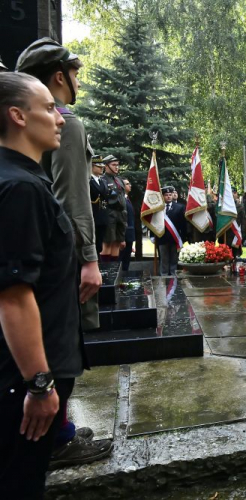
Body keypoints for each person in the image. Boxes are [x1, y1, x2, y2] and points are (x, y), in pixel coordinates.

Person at [15, 39, 112, 467]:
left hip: (46, 248)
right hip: (64, 253)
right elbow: (73, 197)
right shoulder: (67, 123)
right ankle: (58, 438)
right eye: (74, 74)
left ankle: (61, 428)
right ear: (59, 77)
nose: (77, 82)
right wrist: (89, 259)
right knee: (60, 347)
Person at [0, 71, 86, 498]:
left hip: (27, 371)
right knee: (20, 483)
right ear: (17, 116)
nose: (60, 118)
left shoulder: (22, 179)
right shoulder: (20, 188)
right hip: (23, 379)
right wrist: (39, 383)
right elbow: (14, 297)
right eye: (48, 108)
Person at [100, 155, 127, 261]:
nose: (117, 167)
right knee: (108, 242)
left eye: (117, 165)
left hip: (121, 214)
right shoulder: (103, 180)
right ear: (106, 166)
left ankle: (114, 268)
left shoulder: (118, 180)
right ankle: (106, 269)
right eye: (113, 165)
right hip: (110, 213)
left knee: (117, 241)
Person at [157, 186, 186, 276]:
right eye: (166, 195)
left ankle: (173, 277)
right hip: (162, 238)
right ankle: (164, 276)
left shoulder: (179, 207)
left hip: (175, 238)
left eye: (170, 194)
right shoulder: (158, 208)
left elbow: (183, 224)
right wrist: (151, 236)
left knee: (174, 259)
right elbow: (154, 223)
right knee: (164, 259)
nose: (169, 196)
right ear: (162, 196)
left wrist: (183, 238)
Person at [89, 156, 109, 256]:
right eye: (98, 166)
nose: (102, 168)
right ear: (91, 166)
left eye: (102, 166)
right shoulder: (88, 180)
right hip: (93, 214)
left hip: (102, 215)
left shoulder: (102, 181)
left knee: (100, 240)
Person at [119, 178, 135, 270]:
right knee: (122, 260)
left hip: (128, 236)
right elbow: (122, 219)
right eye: (127, 184)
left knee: (126, 261)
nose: (130, 185)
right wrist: (122, 238)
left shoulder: (127, 199)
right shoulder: (122, 200)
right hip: (124, 236)